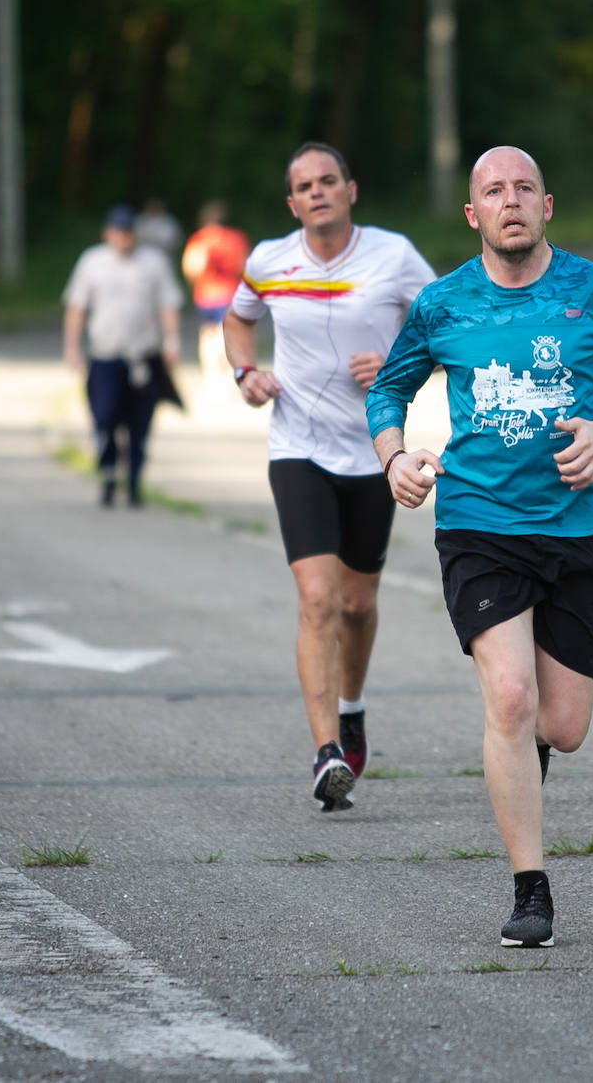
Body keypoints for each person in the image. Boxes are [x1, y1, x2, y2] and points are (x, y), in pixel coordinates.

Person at [366, 146, 593, 948]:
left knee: (562, 725)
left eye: (524, 189)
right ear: (473, 215)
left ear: (547, 205)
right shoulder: (443, 305)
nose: (510, 202)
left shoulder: (592, 292)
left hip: (579, 532)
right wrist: (396, 456)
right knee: (510, 699)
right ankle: (529, 890)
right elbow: (389, 386)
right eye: (493, 192)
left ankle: (523, 776)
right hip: (478, 526)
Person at [222, 142, 436, 812]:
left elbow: (445, 325)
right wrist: (245, 372)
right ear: (292, 203)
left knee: (356, 604)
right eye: (303, 186)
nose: (316, 192)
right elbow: (237, 316)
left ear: (351, 190)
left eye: (327, 181)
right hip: (298, 448)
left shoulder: (394, 256)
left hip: (376, 449)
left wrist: (401, 364)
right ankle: (326, 755)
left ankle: (351, 708)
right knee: (317, 598)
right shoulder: (268, 260)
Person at [63, 204, 184, 508]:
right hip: (105, 355)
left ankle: (133, 481)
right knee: (104, 417)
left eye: (128, 232)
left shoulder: (153, 262)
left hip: (143, 355)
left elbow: (167, 304)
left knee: (139, 423)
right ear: (107, 233)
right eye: (118, 232)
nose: (123, 238)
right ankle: (107, 470)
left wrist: (171, 341)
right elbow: (77, 306)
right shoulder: (92, 262)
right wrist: (72, 346)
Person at [180, 201, 251, 402]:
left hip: (204, 295)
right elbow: (244, 266)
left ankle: (211, 376)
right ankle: (224, 376)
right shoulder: (235, 239)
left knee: (207, 335)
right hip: (228, 294)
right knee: (224, 336)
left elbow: (191, 268)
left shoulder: (199, 239)